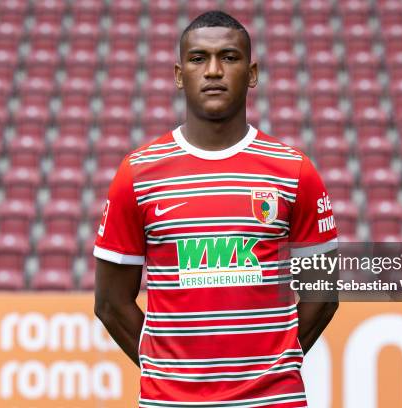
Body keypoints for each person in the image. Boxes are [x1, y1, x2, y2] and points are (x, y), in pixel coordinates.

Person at [94, 10, 338, 407]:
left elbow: (323, 295)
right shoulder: (137, 174)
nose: (212, 70)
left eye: (229, 57)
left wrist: (272, 368)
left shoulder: (295, 171)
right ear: (178, 75)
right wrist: (169, 373)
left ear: (252, 72)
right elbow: (110, 303)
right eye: (197, 59)